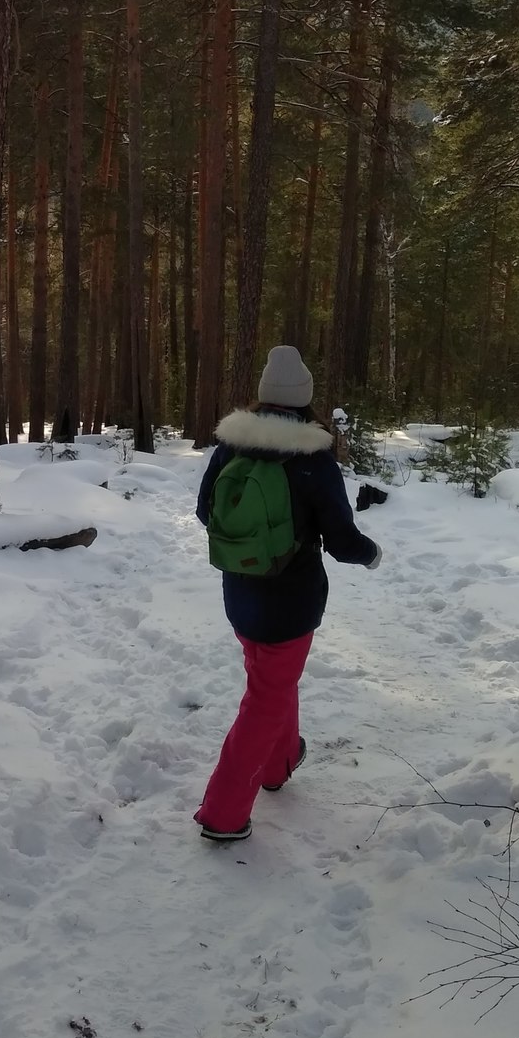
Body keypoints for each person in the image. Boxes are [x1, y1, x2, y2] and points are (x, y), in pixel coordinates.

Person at [193, 344, 381, 844]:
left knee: (271, 681)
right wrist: (371, 554)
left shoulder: (232, 445)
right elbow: (341, 541)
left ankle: (278, 763)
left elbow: (204, 512)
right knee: (266, 696)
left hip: (241, 592)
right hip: (292, 601)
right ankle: (223, 813)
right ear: (305, 399)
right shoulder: (311, 457)